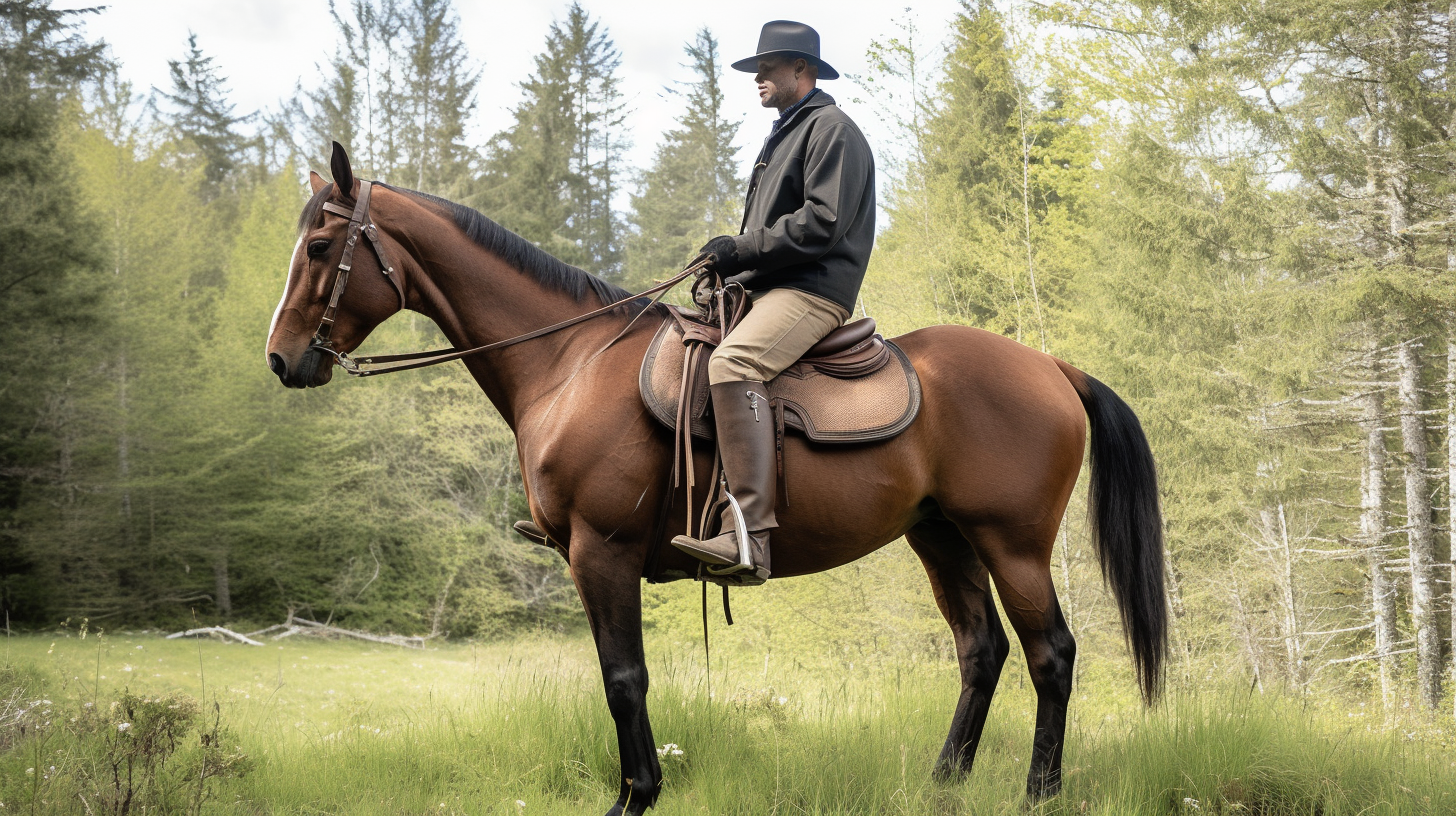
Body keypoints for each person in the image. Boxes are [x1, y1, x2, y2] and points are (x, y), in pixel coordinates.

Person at [668, 20, 877, 581]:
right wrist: (732, 267)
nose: (757, 77)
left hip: (812, 291)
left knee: (733, 361)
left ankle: (749, 536)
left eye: (766, 67)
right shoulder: (788, 132)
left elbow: (823, 223)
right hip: (768, 289)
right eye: (756, 69)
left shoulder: (832, 129)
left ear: (801, 70)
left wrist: (740, 249)